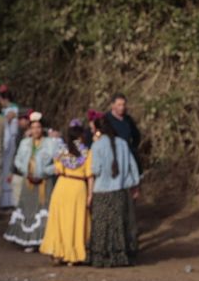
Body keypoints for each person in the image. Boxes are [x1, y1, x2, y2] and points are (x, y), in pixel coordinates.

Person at [88, 115, 142, 267]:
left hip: (101, 191)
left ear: (99, 130)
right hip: (119, 190)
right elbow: (133, 167)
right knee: (117, 225)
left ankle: (100, 257)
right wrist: (133, 184)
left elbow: (95, 169)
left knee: (100, 225)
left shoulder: (97, 145)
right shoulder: (123, 144)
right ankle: (118, 256)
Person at [41, 123, 94, 266]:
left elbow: (57, 170)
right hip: (78, 188)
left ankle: (58, 253)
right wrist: (90, 194)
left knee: (59, 221)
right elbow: (90, 176)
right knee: (75, 221)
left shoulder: (63, 152)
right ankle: (73, 255)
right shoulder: (87, 153)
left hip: (62, 186)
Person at [4, 113, 58, 250]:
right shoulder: (24, 143)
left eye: (38, 127)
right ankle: (29, 240)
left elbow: (58, 163)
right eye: (33, 127)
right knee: (28, 209)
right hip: (28, 182)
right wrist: (26, 171)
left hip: (44, 183)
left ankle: (43, 240)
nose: (36, 130)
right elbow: (17, 160)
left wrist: (44, 172)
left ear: (42, 128)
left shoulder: (51, 143)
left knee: (43, 209)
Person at [106, 93, 143, 165]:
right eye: (119, 105)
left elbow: (136, 135)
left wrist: (133, 148)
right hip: (112, 157)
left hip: (127, 155)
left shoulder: (128, 120)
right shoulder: (106, 120)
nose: (122, 107)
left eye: (123, 105)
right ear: (112, 105)